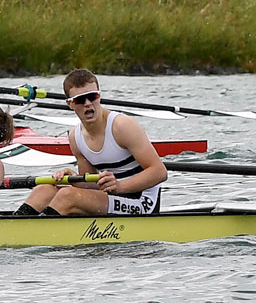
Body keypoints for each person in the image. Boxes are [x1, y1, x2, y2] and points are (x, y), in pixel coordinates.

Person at [20, 70, 172, 216]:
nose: (88, 104)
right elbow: (91, 185)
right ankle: (16, 229)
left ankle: (40, 232)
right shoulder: (75, 137)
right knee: (44, 190)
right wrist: (74, 178)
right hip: (111, 197)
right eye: (80, 100)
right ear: (70, 104)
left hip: (142, 202)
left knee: (68, 195)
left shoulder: (122, 126)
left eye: (92, 96)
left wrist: (119, 186)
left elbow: (159, 172)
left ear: (99, 96)